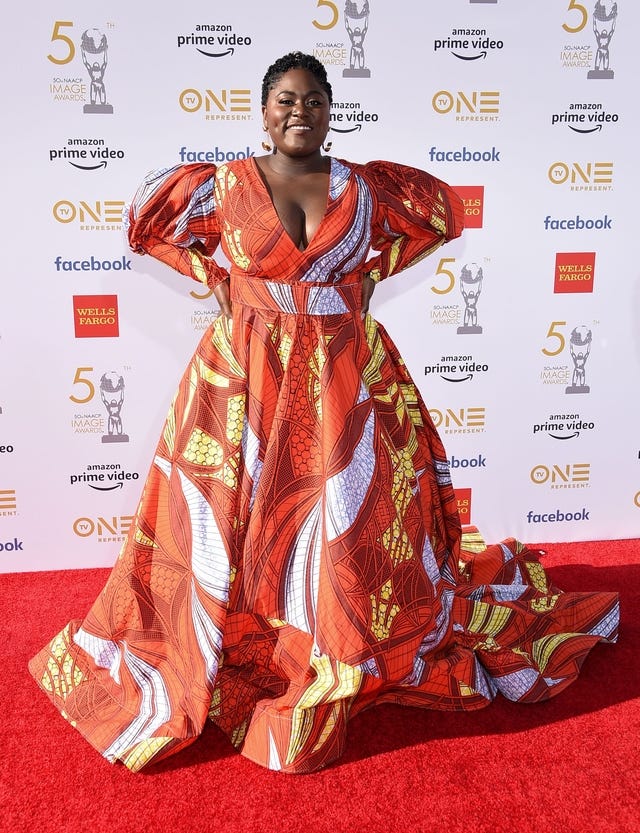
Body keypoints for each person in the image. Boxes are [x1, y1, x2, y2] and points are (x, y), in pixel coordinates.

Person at [29, 52, 619, 775]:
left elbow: (440, 216)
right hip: (244, 376)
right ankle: (232, 635)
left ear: (330, 108)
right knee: (233, 513)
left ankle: (334, 637)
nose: (297, 111)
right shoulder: (223, 186)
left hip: (343, 374)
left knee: (344, 513)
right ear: (264, 109)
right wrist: (219, 278)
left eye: (312, 99)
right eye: (284, 99)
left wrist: (365, 278)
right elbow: (147, 224)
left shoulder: (365, 188)